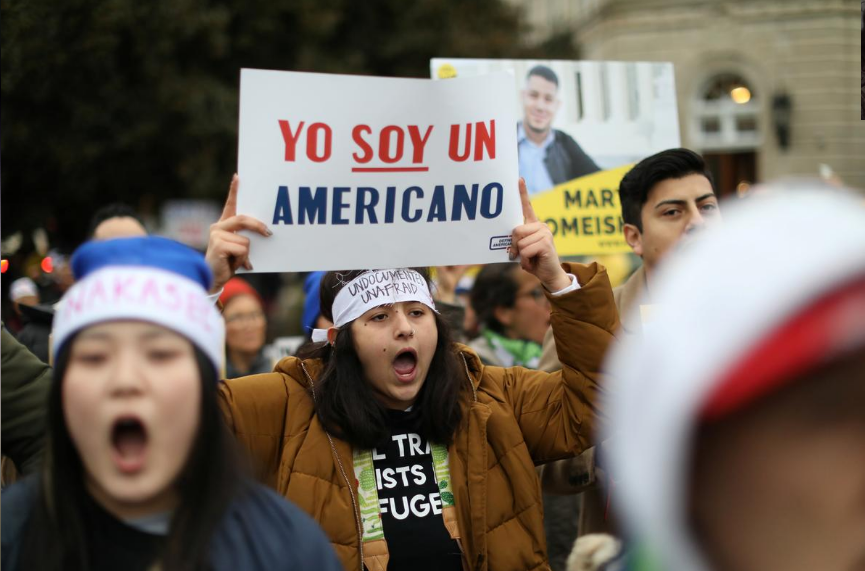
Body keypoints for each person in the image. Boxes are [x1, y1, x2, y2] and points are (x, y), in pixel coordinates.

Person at [210, 177, 619, 571]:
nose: (404, 327)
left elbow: (595, 405)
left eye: (417, 312)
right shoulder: (288, 405)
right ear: (340, 338)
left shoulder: (492, 396)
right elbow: (186, 422)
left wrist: (558, 282)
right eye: (380, 316)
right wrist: (206, 290)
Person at [1, 236, 341, 571]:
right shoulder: (12, 536)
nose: (126, 381)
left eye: (160, 355)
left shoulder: (287, 548)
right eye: (95, 357)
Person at [605, 186, 865, 571]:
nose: (695, 221)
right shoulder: (609, 320)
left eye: (706, 205)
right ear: (689, 467)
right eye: (831, 411)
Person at [537, 148, 722, 568]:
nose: (697, 222)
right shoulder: (590, 322)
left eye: (707, 206)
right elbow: (542, 459)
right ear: (634, 237)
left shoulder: (766, 313)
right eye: (673, 212)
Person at [519, 65, 600, 195]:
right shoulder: (503, 139)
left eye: (548, 99)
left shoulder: (565, 143)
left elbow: (601, 180)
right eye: (533, 96)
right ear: (522, 96)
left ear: (557, 105)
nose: (540, 106)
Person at [467, 262, 550, 368]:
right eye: (538, 293)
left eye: (550, 290)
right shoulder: (474, 368)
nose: (551, 301)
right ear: (504, 313)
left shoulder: (562, 353)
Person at [219, 277, 272, 378]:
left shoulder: (279, 374)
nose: (249, 325)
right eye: (238, 317)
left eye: (255, 315)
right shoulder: (212, 379)